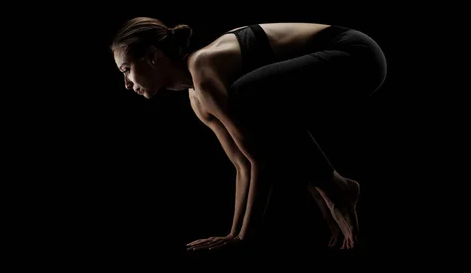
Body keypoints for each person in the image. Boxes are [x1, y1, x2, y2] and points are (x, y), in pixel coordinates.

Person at [110, 17, 387, 253]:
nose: (126, 83)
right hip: (333, 72)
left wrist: (245, 238)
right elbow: (243, 163)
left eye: (126, 70)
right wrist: (233, 234)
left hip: (357, 55)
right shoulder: (197, 98)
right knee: (257, 116)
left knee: (247, 96)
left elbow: (261, 162)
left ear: (152, 56)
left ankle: (335, 185)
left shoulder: (203, 69)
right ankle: (332, 185)